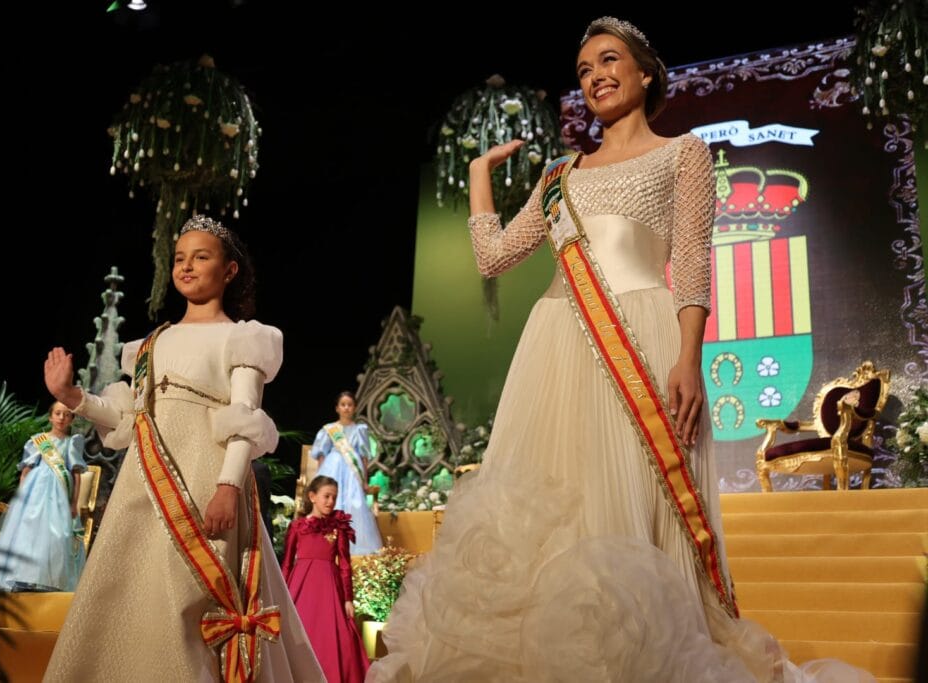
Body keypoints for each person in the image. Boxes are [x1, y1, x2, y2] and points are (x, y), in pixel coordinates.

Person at [369, 17, 874, 683]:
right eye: (583, 70)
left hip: (642, 335)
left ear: (644, 73)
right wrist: (478, 176)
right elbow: (493, 257)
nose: (595, 76)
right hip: (555, 344)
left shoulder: (683, 152)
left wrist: (690, 356)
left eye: (609, 60)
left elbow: (692, 258)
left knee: (642, 503)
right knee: (559, 504)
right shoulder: (559, 173)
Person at [41, 215, 324, 682]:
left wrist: (229, 486)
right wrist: (74, 397)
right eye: (179, 259)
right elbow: (131, 420)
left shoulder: (243, 338)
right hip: (144, 487)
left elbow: (245, 420)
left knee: (189, 599)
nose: (187, 267)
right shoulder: (152, 344)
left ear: (229, 270)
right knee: (133, 597)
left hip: (205, 484)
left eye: (201, 257)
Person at [0, 402, 86, 591]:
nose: (61, 418)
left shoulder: (72, 442)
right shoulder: (38, 441)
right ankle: (21, 577)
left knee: (55, 535)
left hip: (59, 497)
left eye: (67, 414)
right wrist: (21, 497)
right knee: (28, 533)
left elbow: (76, 474)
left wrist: (74, 503)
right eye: (58, 413)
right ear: (50, 417)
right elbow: (26, 471)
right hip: (36, 491)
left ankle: (50, 581)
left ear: (72, 419)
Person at [281, 476, 369, 683]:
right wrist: (281, 591)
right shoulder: (297, 527)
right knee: (301, 631)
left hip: (330, 588)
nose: (330, 501)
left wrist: (348, 599)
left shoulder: (338, 529)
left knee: (338, 637)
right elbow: (286, 563)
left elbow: (345, 564)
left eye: (334, 497)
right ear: (312, 497)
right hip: (301, 587)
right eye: (326, 496)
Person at [310, 392, 382, 555]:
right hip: (332, 467)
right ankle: (325, 544)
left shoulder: (360, 430)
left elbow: (363, 457)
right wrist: (318, 479)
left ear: (354, 407)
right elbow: (321, 454)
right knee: (329, 502)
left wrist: (364, 480)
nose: (346, 407)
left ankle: (353, 547)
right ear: (337, 408)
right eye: (343, 404)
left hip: (352, 474)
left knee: (353, 504)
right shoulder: (329, 429)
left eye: (349, 404)